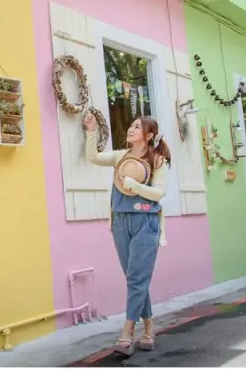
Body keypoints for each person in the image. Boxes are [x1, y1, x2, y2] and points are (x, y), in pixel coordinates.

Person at [83, 114, 171, 356]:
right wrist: (91, 131)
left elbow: (159, 194)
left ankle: (128, 329)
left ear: (149, 135)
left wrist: (135, 185)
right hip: (120, 222)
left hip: (146, 222)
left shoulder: (158, 159)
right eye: (131, 125)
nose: (131, 129)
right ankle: (150, 326)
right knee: (135, 277)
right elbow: (93, 158)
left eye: (137, 127)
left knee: (135, 279)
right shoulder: (121, 156)